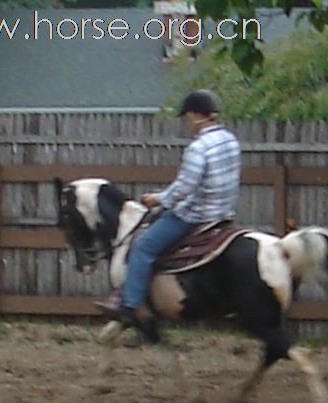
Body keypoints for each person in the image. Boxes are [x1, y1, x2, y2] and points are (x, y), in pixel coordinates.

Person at [96, 89, 242, 343]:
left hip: (195, 215)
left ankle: (130, 306)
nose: (187, 122)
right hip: (222, 213)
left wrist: (159, 198)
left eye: (187, 116)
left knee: (142, 246)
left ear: (196, 115)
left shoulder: (199, 148)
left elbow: (186, 187)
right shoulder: (230, 140)